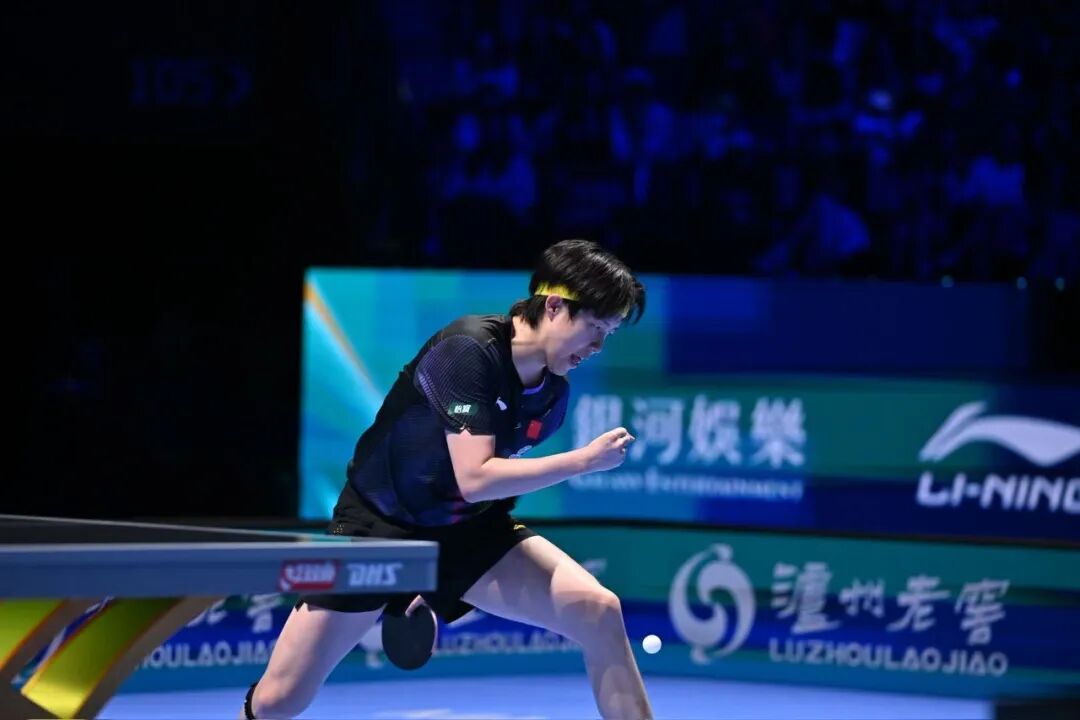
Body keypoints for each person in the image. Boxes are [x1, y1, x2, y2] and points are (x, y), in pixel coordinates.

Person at [244, 239, 652, 719]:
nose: (598, 347)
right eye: (595, 328)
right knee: (278, 700)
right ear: (555, 306)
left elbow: (484, 490)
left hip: (466, 529)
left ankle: (417, 593)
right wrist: (582, 461)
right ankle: (407, 594)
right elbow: (475, 477)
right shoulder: (466, 349)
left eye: (609, 334)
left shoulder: (551, 396)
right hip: (379, 528)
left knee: (599, 610)